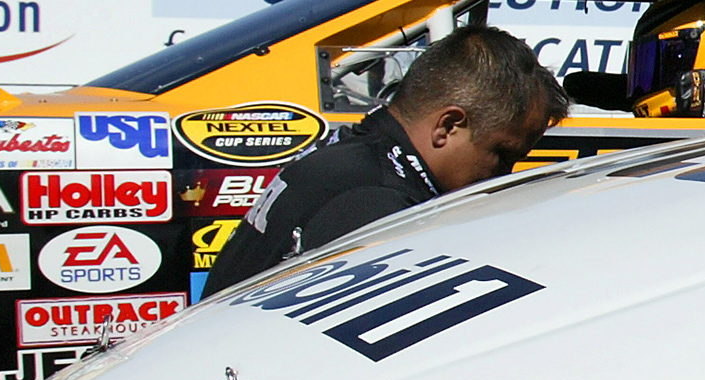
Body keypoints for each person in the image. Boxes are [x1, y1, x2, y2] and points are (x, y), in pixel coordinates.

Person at [201, 26, 563, 295]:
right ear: (448, 126)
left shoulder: (355, 156)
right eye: (502, 154)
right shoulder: (377, 202)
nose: (501, 174)